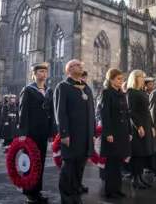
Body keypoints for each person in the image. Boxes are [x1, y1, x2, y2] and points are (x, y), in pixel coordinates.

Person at [55, 59, 95, 204]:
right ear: (69, 70)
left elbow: (91, 112)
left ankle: (76, 195)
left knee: (80, 167)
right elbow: (60, 112)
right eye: (77, 65)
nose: (80, 66)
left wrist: (93, 133)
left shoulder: (86, 88)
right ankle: (66, 198)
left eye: (81, 64)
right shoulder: (63, 87)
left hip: (85, 135)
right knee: (68, 168)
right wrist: (64, 133)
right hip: (71, 135)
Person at [18, 62, 57, 203]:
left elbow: (52, 112)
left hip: (43, 131)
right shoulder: (28, 90)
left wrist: (52, 131)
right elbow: (23, 112)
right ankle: (29, 191)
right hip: (32, 132)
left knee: (40, 162)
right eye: (41, 71)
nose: (44, 74)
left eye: (45, 72)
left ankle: (37, 190)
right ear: (34, 74)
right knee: (30, 161)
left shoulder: (48, 90)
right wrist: (23, 132)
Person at [99, 68, 131, 198]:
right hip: (113, 132)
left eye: (121, 78)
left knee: (119, 162)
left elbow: (126, 114)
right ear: (111, 80)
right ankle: (110, 190)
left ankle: (117, 189)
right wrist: (108, 133)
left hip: (122, 132)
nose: (121, 81)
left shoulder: (122, 94)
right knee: (111, 163)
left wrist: (129, 131)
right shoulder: (106, 93)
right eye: (118, 79)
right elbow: (105, 115)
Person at [127, 70, 154, 189]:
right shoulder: (131, 92)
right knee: (137, 153)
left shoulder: (141, 91)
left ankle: (140, 176)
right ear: (136, 78)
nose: (144, 79)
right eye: (142, 77)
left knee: (143, 153)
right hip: (138, 126)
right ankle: (135, 178)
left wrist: (151, 125)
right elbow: (131, 112)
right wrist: (139, 126)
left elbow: (147, 111)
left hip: (146, 124)